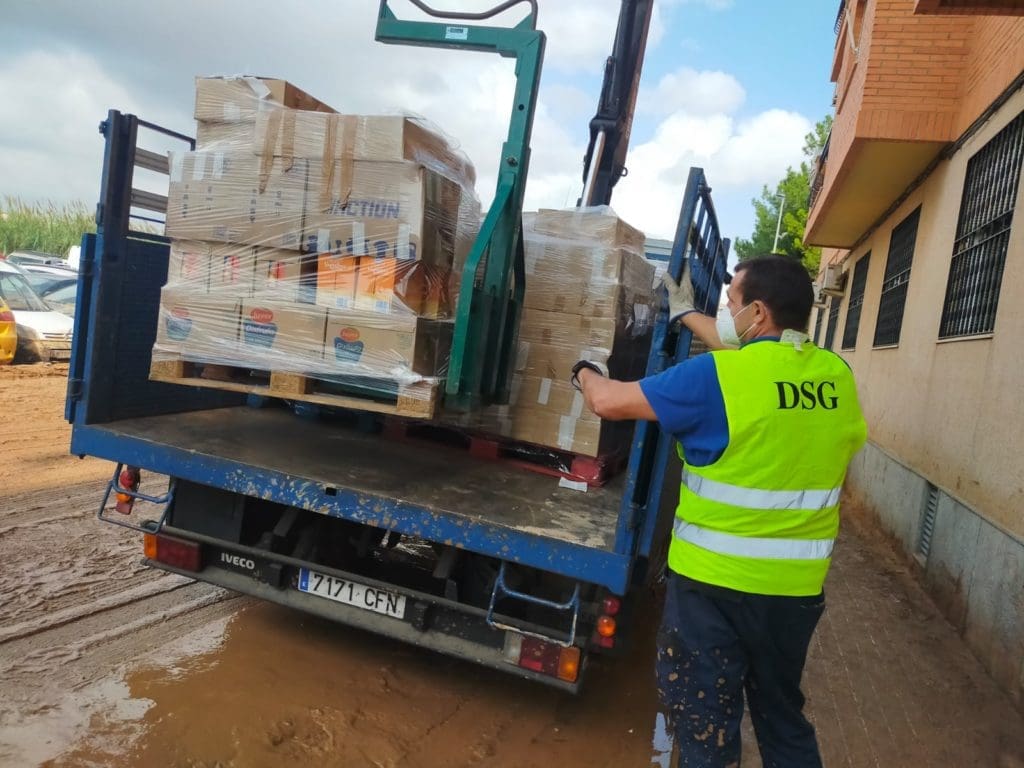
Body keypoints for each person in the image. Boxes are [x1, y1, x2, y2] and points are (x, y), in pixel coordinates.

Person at [571, 255, 867, 767]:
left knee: (705, 726)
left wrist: (584, 371)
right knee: (782, 719)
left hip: (712, 590)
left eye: (731, 302)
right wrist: (686, 314)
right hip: (794, 594)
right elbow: (755, 365)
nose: (725, 313)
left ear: (758, 313)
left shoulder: (715, 379)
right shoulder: (836, 376)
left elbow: (609, 402)